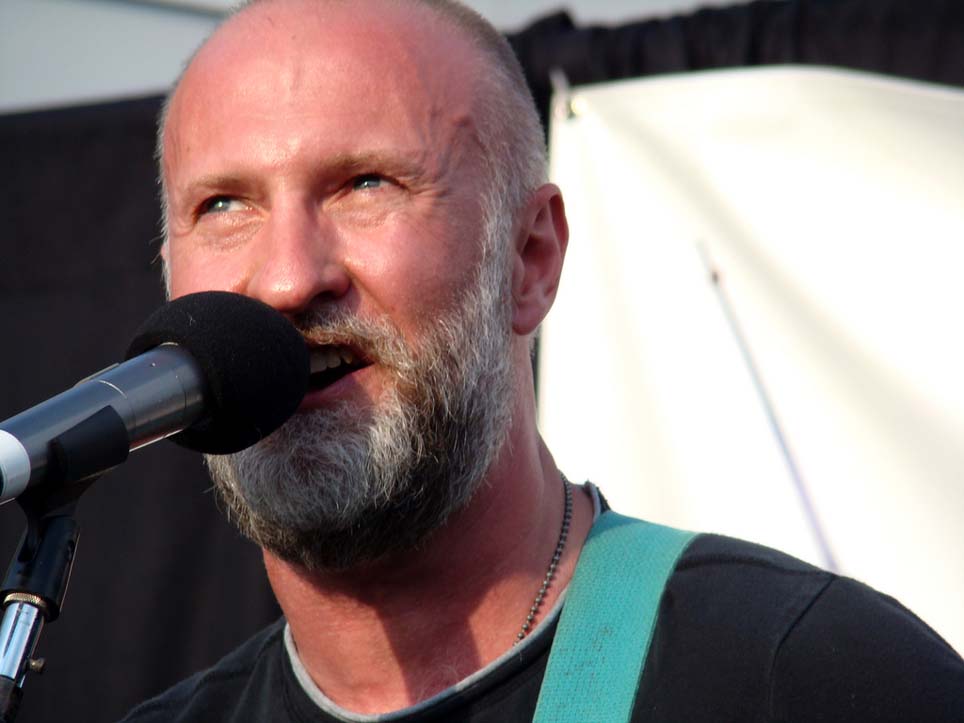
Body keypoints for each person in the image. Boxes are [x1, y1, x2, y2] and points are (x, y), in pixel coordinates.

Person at [123, 0, 964, 720]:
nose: (286, 277)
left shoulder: (806, 674)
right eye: (224, 204)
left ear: (529, 258)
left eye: (365, 184)